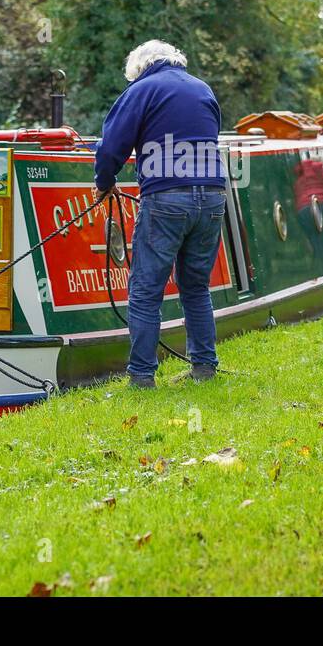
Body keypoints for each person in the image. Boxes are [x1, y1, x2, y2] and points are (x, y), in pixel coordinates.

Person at [95, 40, 226, 388]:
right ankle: (204, 368)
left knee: (145, 289)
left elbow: (111, 145)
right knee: (196, 287)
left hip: (167, 195)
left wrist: (104, 182)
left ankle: (141, 377)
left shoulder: (143, 89)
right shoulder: (202, 87)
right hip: (213, 195)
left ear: (138, 68)